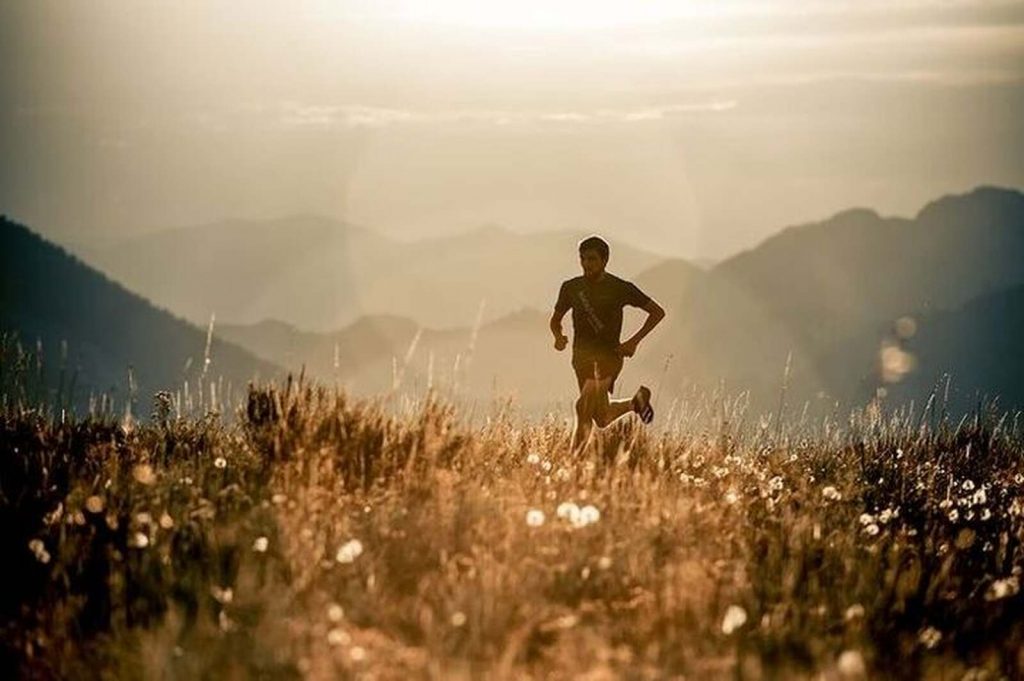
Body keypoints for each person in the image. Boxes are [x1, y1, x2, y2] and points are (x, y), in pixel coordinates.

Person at [550, 235, 666, 453]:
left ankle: (573, 463)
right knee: (600, 417)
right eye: (583, 259)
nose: (587, 264)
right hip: (580, 358)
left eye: (592, 259)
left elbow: (657, 312)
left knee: (582, 407)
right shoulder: (571, 288)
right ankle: (636, 403)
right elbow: (555, 321)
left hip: (608, 357)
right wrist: (558, 337)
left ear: (604, 260)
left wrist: (633, 342)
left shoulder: (620, 288)